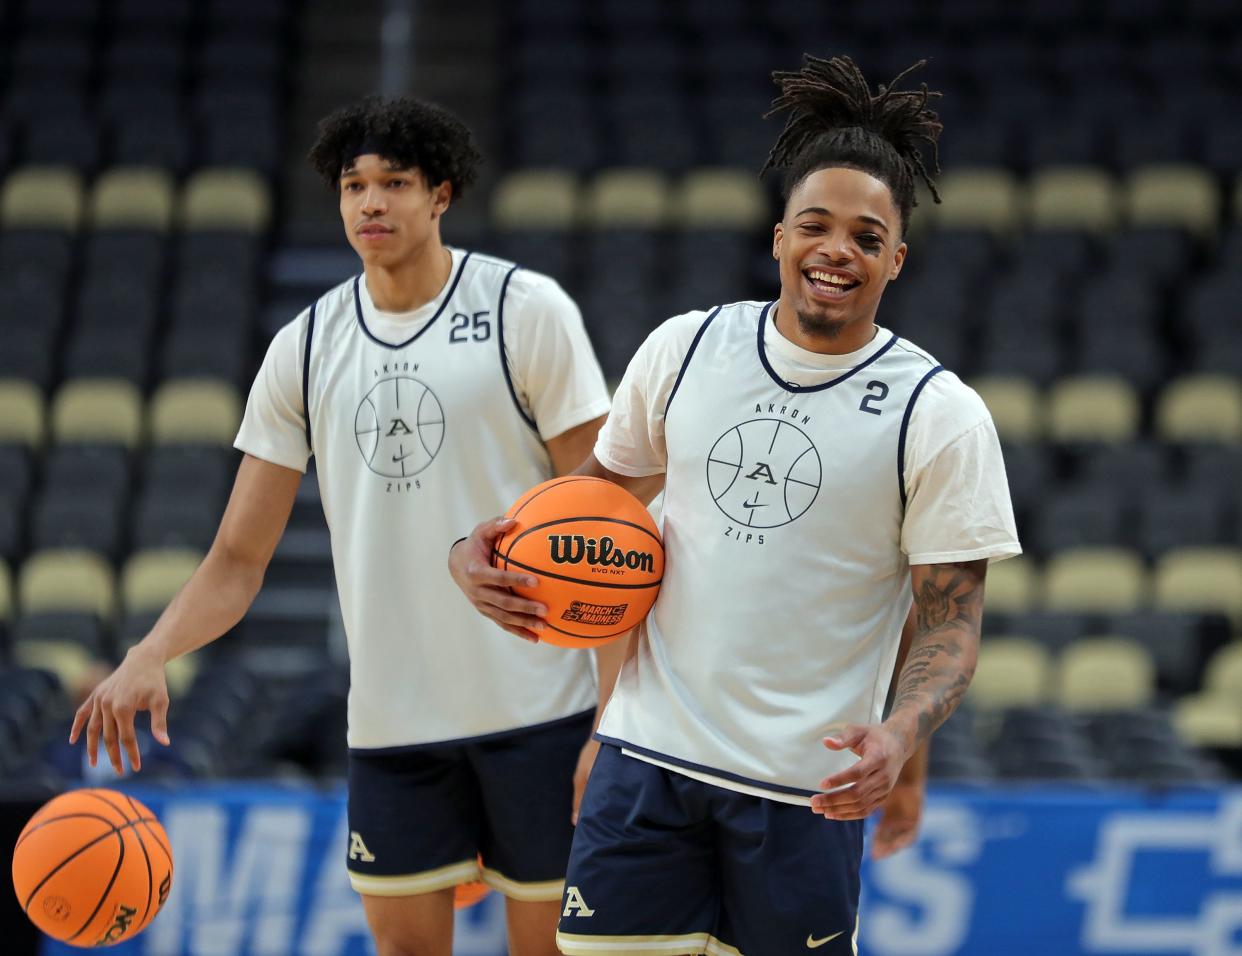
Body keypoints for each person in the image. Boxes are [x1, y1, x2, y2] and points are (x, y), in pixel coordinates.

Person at [450, 55, 1021, 955]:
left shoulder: (939, 414)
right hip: (646, 766)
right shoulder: (687, 346)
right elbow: (589, 510)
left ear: (897, 259)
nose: (838, 249)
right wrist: (477, 553)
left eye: (868, 237)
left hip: (807, 792)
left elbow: (949, 627)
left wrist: (900, 737)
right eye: (816, 226)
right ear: (779, 238)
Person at [69, 96, 622, 956]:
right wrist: (151, 652)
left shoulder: (526, 310)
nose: (370, 203)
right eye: (353, 184)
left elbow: (611, 523)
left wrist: (613, 724)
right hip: (392, 720)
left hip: (542, 709)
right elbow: (238, 559)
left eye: (394, 183)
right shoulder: (306, 343)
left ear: (441, 193)